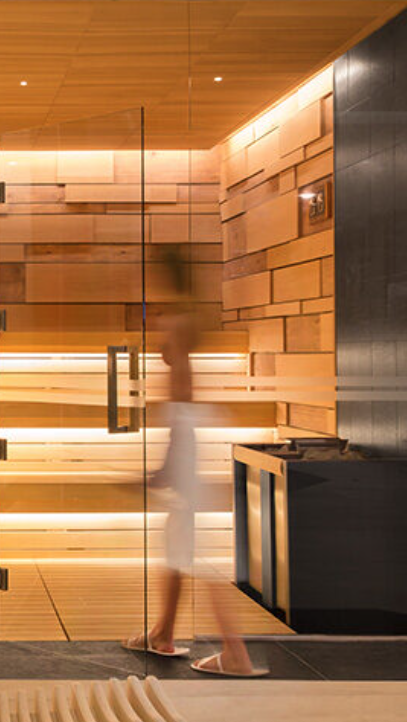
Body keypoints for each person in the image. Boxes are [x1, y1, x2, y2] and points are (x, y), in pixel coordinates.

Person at [122, 248, 268, 677]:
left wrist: (167, 463)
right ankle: (162, 633)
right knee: (179, 544)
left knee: (196, 552)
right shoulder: (186, 316)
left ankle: (235, 654)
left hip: (183, 439)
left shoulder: (179, 321)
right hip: (185, 438)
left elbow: (181, 397)